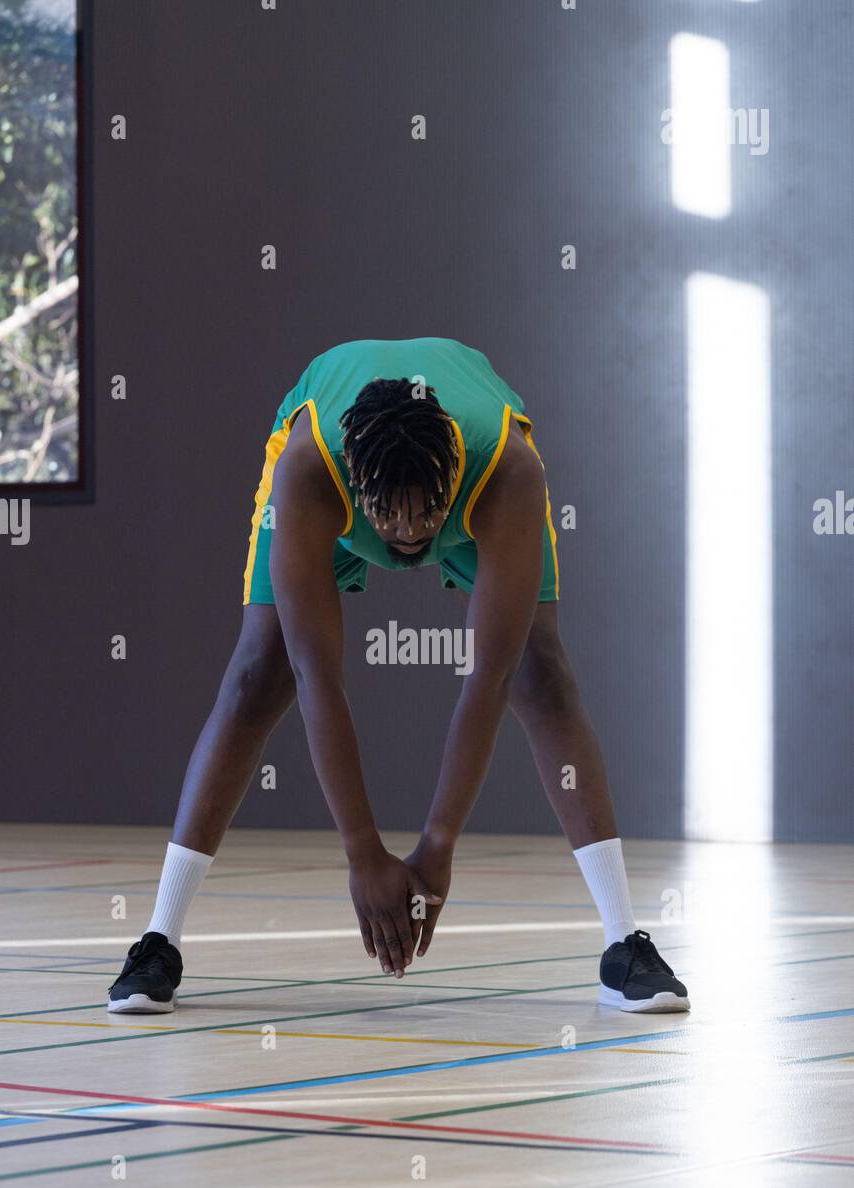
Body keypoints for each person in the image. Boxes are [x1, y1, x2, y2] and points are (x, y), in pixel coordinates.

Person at [108, 338, 688, 1016]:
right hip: (331, 484)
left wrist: (437, 845)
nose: (411, 534)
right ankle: (157, 941)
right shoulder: (310, 470)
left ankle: (625, 944)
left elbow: (486, 679)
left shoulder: (509, 471)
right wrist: (362, 850)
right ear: (358, 485)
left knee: (540, 670)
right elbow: (316, 675)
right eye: (393, 514)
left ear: (451, 478)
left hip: (480, 490)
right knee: (258, 676)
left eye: (426, 512)